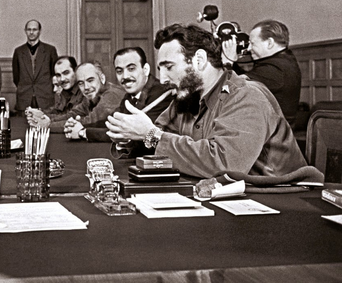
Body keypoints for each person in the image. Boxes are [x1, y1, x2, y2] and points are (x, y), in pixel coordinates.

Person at [105, 23, 309, 179]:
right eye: (161, 69)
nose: (164, 79)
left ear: (199, 60)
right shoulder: (186, 96)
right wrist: (130, 138)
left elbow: (224, 164)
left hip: (277, 202)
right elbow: (160, 138)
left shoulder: (247, 96)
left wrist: (150, 134)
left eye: (169, 66)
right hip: (226, 198)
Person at [78, 47, 174, 144]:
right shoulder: (130, 95)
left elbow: (131, 133)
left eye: (131, 69)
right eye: (119, 71)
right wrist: (80, 126)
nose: (125, 76)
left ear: (145, 69)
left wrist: (83, 132)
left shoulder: (161, 94)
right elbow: (112, 121)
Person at [222, 19, 301, 125]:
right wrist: (233, 63)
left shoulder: (275, 69)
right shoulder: (284, 60)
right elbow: (244, 77)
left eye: (252, 43)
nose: (249, 48)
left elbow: (228, 91)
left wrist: (227, 62)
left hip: (270, 137)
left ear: (269, 43)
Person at [38, 61, 125, 134]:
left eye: (90, 80)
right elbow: (72, 114)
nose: (86, 87)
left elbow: (90, 121)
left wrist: (47, 126)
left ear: (102, 78)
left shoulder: (112, 95)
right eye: (81, 83)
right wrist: (46, 119)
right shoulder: (93, 94)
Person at [12, 19, 58, 113]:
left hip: (45, 98)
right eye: (29, 29)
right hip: (24, 98)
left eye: (34, 29)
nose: (31, 32)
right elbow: (16, 77)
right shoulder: (19, 52)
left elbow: (54, 74)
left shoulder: (50, 50)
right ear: (25, 31)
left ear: (39, 31)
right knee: (22, 125)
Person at [26, 56, 83, 126]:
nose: (62, 79)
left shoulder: (84, 91)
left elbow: (71, 117)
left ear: (76, 71)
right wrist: (39, 113)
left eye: (66, 73)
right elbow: (58, 112)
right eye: (58, 75)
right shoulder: (65, 92)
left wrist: (47, 121)